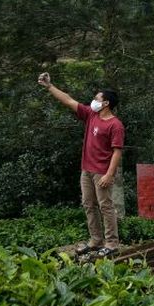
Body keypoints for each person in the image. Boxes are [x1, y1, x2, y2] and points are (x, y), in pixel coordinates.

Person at [38, 72, 125, 257]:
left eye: (97, 98)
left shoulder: (115, 125)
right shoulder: (91, 115)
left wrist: (109, 174)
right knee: (88, 204)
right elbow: (69, 101)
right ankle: (96, 240)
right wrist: (49, 86)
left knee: (106, 206)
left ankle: (112, 243)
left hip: (102, 172)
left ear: (106, 103)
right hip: (86, 170)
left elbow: (117, 151)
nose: (93, 101)